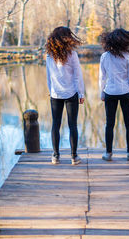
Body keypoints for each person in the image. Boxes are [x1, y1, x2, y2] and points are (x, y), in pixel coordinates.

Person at [46, 26, 85, 165]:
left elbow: (48, 76)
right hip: (71, 93)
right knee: (72, 125)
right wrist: (81, 92)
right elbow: (77, 75)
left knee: (55, 124)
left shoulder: (49, 55)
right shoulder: (71, 54)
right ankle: (74, 157)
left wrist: (51, 91)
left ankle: (56, 156)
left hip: (55, 94)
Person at [99, 28, 129, 161]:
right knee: (128, 124)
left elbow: (102, 77)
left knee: (109, 124)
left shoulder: (105, 56)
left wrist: (102, 92)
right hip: (126, 92)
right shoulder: (128, 57)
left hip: (110, 92)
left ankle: (108, 153)